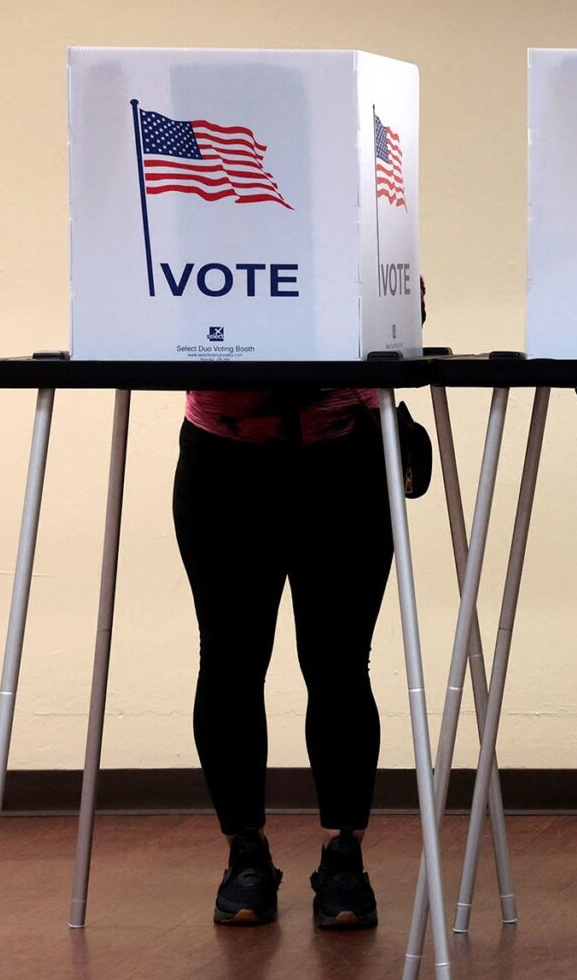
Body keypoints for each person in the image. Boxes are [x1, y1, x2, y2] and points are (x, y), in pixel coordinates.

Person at [175, 386, 425, 929]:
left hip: (346, 453)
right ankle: (245, 853)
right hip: (224, 452)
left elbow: (406, 306)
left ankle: (344, 856)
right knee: (229, 658)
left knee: (339, 663)